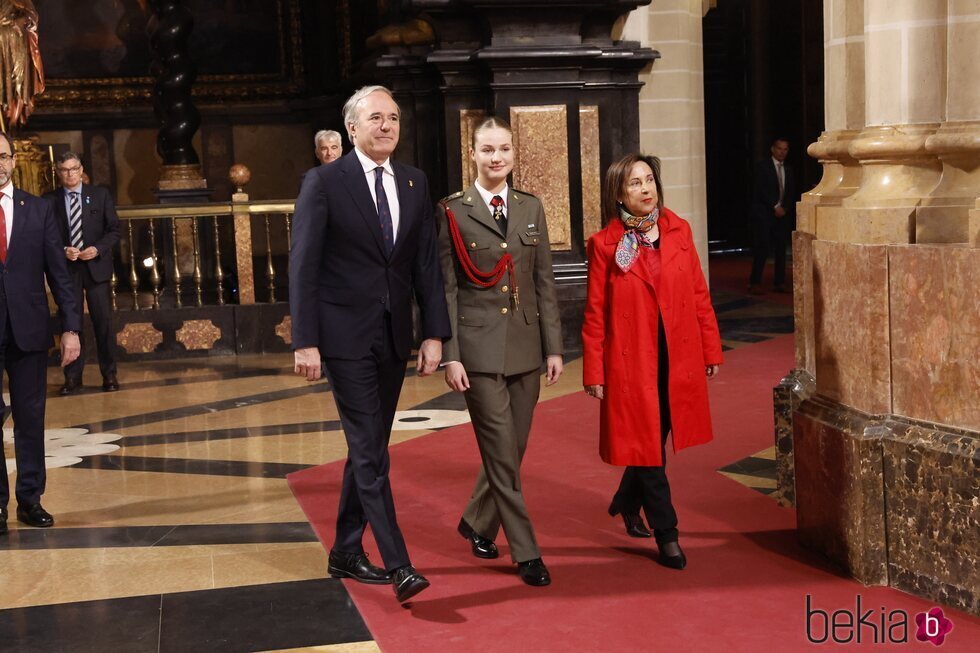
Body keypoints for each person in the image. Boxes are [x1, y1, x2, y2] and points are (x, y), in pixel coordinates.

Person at [289, 85, 450, 604]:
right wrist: (306, 340)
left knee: (371, 447)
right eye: (375, 118)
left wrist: (433, 332)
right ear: (352, 128)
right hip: (342, 336)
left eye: (394, 118)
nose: (386, 126)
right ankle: (399, 564)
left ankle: (344, 550)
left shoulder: (414, 181)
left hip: (393, 335)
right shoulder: (325, 182)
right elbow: (304, 265)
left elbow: (425, 262)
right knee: (368, 449)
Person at [437, 117, 563, 587]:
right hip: (478, 350)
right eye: (487, 150)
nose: (497, 158)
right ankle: (527, 552)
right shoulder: (452, 210)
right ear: (472, 154)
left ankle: (476, 520)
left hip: (528, 346)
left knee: (515, 447)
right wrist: (451, 353)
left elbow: (544, 283)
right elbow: (447, 289)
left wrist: (554, 348)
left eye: (504, 149)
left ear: (513, 153)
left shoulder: (531, 207)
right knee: (502, 453)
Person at [582, 153, 722, 570]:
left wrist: (711, 347)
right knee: (648, 449)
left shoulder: (679, 231)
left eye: (649, 180)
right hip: (630, 362)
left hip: (677, 355)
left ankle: (627, 500)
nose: (645, 189)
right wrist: (594, 369)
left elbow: (698, 293)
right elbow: (595, 313)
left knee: (650, 442)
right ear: (619, 194)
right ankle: (668, 533)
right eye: (634, 183)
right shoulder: (605, 245)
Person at [0, 131, 81, 535]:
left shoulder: (38, 209)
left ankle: (30, 500)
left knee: (31, 418)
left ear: (13, 160)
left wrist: (70, 327)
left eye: (2, 156)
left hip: (29, 329)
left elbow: (59, 273)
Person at [43, 152, 121, 395]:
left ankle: (109, 375)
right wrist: (63, 249)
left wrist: (97, 249)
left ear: (81, 169)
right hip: (67, 270)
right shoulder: (49, 201)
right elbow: (46, 236)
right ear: (58, 172)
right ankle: (72, 377)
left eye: (74, 168)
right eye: (65, 169)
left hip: (96, 267)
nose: (70, 173)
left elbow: (114, 230)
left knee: (103, 323)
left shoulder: (100, 195)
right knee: (71, 324)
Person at [748, 137, 795, 294]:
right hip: (765, 214)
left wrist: (785, 207)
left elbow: (790, 191)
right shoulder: (762, 167)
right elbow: (760, 189)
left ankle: (779, 282)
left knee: (781, 249)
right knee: (762, 248)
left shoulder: (788, 168)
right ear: (773, 149)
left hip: (782, 215)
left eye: (785, 149)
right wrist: (774, 206)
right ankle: (755, 282)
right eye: (779, 148)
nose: (782, 152)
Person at [0, 0, 44, 129]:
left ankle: (13, 123)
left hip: (18, 44)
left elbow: (32, 17)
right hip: (2, 45)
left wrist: (22, 20)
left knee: (20, 84)